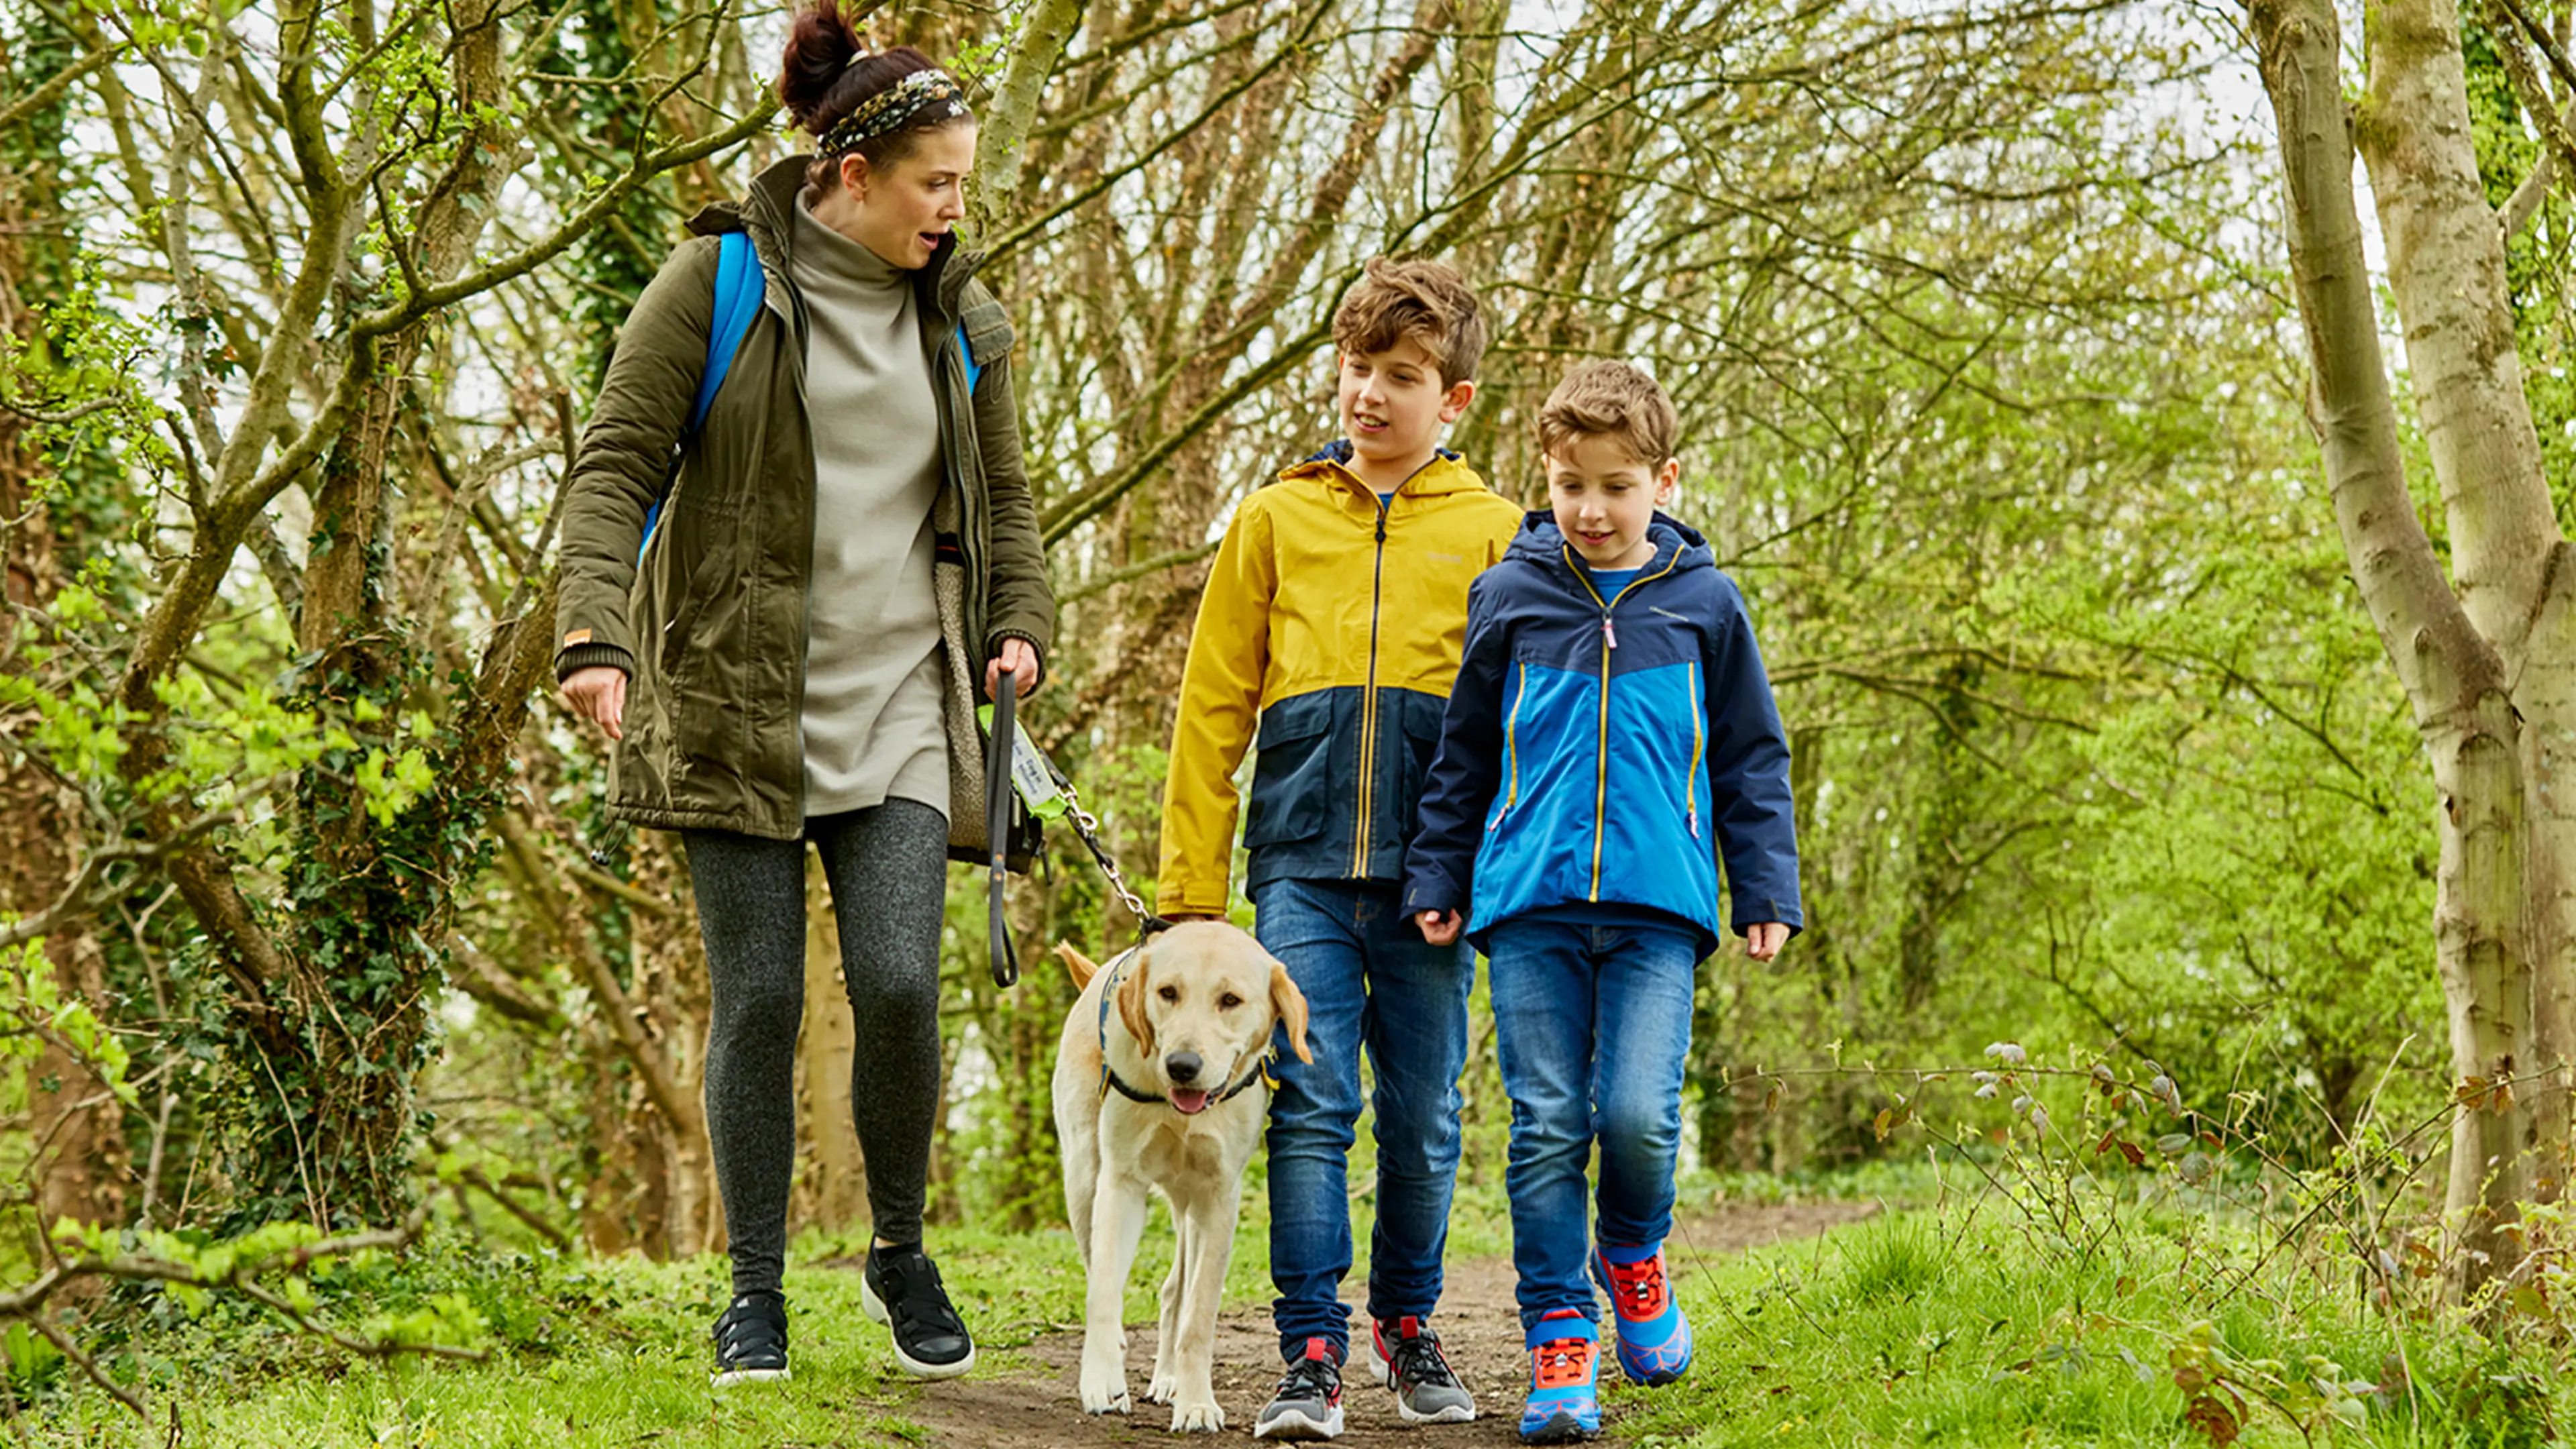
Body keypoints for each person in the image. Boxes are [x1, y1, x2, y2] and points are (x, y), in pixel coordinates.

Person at [551, 5, 1053, 1389]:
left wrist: (1018, 631)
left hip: (899, 695)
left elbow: (1005, 504)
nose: (955, 210)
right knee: (760, 1001)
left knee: (898, 984)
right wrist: (594, 636)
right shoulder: (712, 284)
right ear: (851, 178)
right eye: (935, 184)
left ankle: (898, 1248)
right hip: (734, 700)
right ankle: (754, 1295)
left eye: (963, 185)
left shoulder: (963, 317)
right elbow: (614, 469)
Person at [1402, 360, 1802, 1444]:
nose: (1592, 507)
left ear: (1663, 481)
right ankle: (1559, 1337)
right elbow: (1466, 751)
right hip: (1527, 902)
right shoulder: (1513, 594)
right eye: (1573, 483)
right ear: (1548, 473)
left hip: (1658, 906)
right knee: (1544, 1126)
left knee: (1634, 1115)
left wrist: (1765, 885)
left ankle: (1631, 1251)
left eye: (1618, 486)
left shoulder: (1708, 605)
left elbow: (1753, 762)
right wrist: (1439, 875)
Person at [1157, 258, 1523, 1440]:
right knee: (1312, 1105)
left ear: (1454, 398)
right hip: (1300, 862)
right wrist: (1186, 896)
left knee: (1422, 1116)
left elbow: (1521, 722)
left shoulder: (1500, 533)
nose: (1370, 395)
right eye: (1358, 368)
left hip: (1436, 876)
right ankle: (1308, 1352)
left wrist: (1501, 876)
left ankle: (1407, 1330)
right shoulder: (1275, 517)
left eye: (1401, 377)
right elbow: (1213, 706)